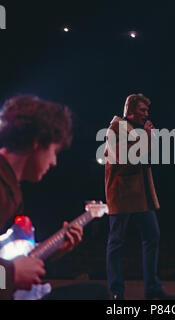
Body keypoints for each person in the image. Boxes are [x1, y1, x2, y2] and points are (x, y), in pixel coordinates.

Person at [0, 95, 108, 300]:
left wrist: (55, 250)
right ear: (36, 142)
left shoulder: (11, 187)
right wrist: (11, 273)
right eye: (54, 151)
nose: (54, 162)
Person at [105, 93, 175, 300]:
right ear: (131, 111)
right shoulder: (115, 129)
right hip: (122, 193)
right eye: (143, 110)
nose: (147, 114)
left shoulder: (138, 130)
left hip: (140, 195)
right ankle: (116, 292)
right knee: (117, 242)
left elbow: (144, 157)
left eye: (147, 110)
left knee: (152, 236)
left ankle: (152, 289)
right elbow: (124, 162)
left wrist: (149, 139)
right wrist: (145, 138)